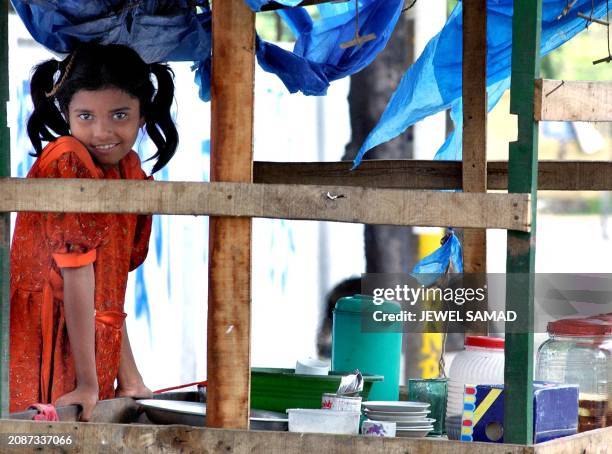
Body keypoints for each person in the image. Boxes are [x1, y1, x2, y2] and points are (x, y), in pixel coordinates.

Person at [9, 43, 178, 421]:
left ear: (142, 115)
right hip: (43, 345)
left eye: (119, 115)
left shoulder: (126, 168)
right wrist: (88, 382)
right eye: (85, 116)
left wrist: (128, 376)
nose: (102, 132)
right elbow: (77, 275)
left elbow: (106, 292)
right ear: (66, 113)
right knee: (35, 439)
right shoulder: (68, 158)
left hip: (87, 347)